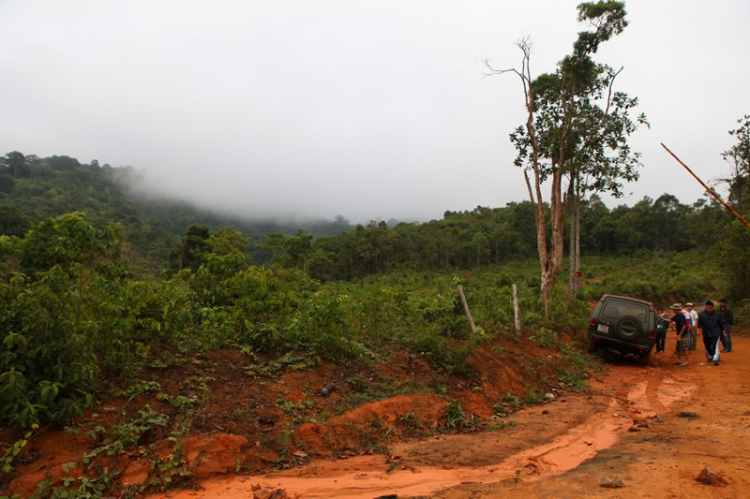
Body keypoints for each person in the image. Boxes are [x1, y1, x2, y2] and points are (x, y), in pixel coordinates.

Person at [697, 300, 724, 366]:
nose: (709, 309)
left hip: (715, 332)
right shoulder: (701, 314)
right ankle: (711, 356)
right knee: (707, 345)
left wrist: (724, 332)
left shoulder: (717, 314)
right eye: (708, 307)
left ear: (713, 307)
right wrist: (698, 331)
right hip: (706, 333)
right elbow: (699, 323)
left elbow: (720, 324)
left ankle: (716, 359)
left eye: (710, 308)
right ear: (706, 307)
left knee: (715, 346)